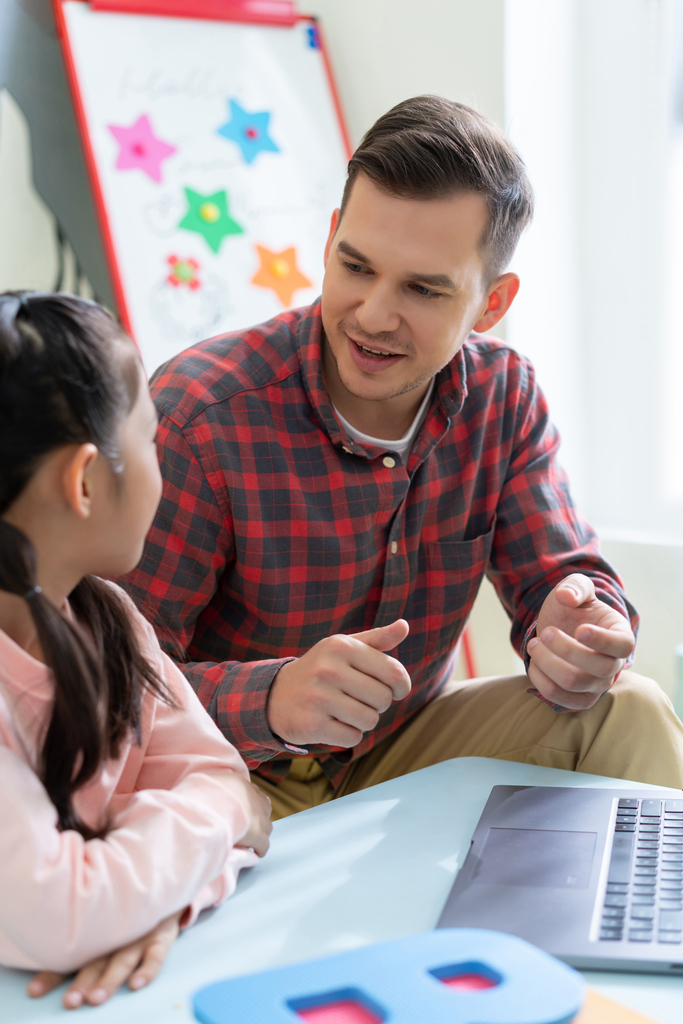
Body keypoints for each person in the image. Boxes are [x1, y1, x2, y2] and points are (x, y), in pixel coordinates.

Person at [120, 95, 683, 820]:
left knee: (626, 710)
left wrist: (584, 629)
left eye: (422, 288)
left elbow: (564, 578)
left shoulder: (502, 395)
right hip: (229, 774)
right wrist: (272, 701)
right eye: (356, 267)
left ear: (490, 303)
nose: (373, 315)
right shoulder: (199, 417)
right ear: (329, 242)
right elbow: (106, 687)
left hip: (398, 754)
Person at [0, 291, 272, 1010]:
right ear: (85, 481)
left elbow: (233, 787)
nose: (163, 468)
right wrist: (204, 834)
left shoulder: (107, 614)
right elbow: (68, 911)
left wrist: (156, 908)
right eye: (150, 439)